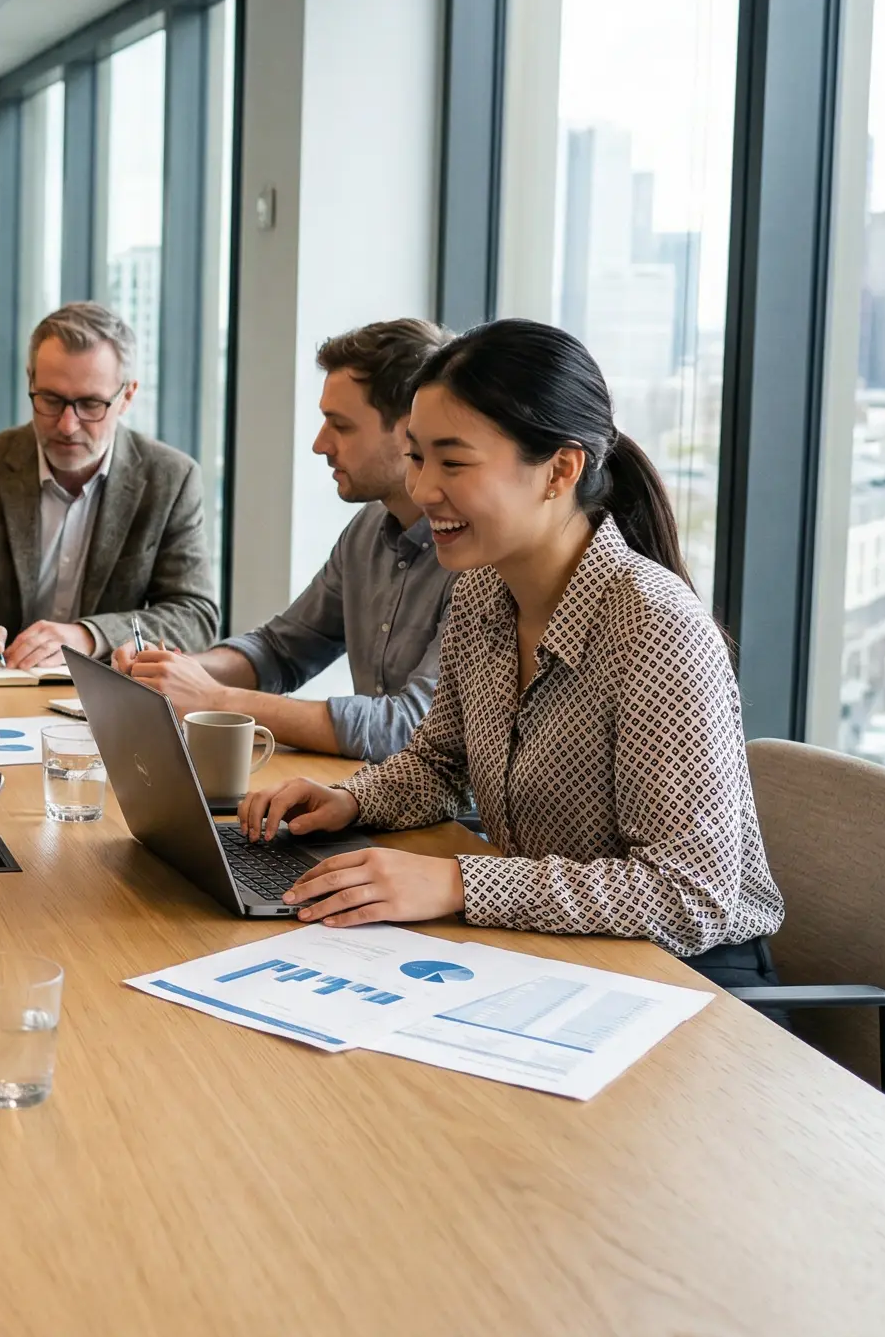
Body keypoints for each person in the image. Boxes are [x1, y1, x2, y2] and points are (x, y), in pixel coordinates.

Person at [235, 319, 784, 982]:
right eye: (415, 456)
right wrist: (349, 802)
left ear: (559, 471)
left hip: (681, 979)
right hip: (554, 955)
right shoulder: (482, 593)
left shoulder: (653, 624)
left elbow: (692, 894)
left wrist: (458, 885)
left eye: (453, 461)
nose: (421, 488)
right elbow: (439, 763)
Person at [115, 319, 453, 761]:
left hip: (442, 821)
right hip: (364, 794)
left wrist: (216, 701)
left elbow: (407, 728)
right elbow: (280, 652)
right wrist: (171, 674)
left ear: (410, 430)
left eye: (341, 425)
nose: (319, 444)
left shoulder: (474, 557)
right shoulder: (367, 530)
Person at [0, 302, 219, 667]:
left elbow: (195, 615)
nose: (67, 425)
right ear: (31, 381)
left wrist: (89, 636)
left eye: (91, 404)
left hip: (103, 701)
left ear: (128, 396)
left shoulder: (169, 478)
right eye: (51, 400)